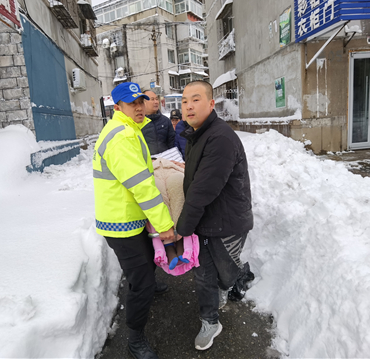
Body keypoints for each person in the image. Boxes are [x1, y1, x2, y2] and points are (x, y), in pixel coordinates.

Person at [93, 82, 179, 359]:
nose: (140, 108)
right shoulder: (122, 137)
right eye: (133, 104)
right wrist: (165, 225)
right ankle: (135, 338)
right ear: (117, 107)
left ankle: (149, 285)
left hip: (126, 217)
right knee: (139, 280)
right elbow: (141, 186)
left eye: (141, 102)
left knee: (144, 267)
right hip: (122, 223)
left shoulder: (128, 129)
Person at [176, 80, 254, 351]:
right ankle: (210, 321)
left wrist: (182, 228)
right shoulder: (197, 135)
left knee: (224, 274)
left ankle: (238, 275)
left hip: (227, 223)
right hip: (209, 221)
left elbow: (202, 189)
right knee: (204, 275)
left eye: (195, 99)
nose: (188, 106)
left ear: (211, 104)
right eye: (184, 101)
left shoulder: (219, 137)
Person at [141, 90, 176, 155]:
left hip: (165, 160)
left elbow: (172, 143)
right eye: (152, 99)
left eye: (156, 99)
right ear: (143, 102)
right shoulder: (138, 122)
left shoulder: (166, 121)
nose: (156, 102)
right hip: (147, 162)